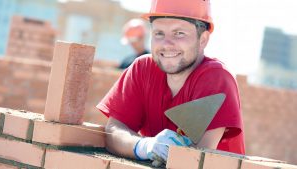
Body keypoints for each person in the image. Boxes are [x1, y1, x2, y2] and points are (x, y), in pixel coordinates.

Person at [97, 0, 245, 165]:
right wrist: (144, 146)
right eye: (159, 33)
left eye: (179, 33)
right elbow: (114, 132)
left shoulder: (215, 77)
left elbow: (196, 159)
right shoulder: (142, 68)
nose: (166, 44)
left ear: (203, 39)